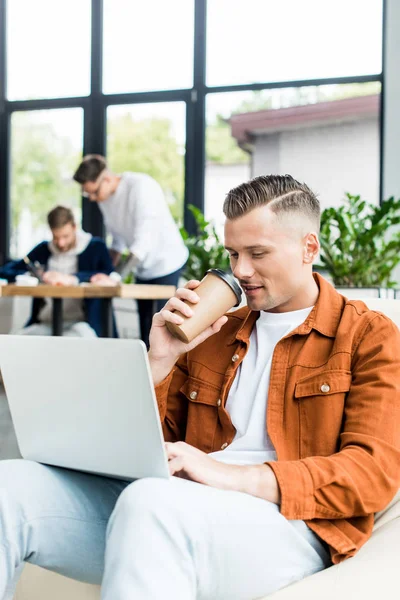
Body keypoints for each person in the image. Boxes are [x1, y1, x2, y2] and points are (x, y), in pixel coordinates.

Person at [0, 175, 399, 600]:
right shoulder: (214, 332)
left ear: (309, 248)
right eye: (233, 254)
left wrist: (231, 475)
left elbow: (371, 473)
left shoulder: (366, 335)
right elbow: (153, 448)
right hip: (173, 506)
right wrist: (160, 359)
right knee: (10, 484)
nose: (240, 271)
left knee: (149, 503)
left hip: (289, 522)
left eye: (257, 253)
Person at [72, 154, 188, 347]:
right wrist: (107, 273)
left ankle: (160, 377)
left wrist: (116, 278)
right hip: (142, 268)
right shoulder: (105, 198)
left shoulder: (141, 187)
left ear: (107, 178)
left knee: (160, 333)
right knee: (145, 331)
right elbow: (117, 241)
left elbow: (144, 240)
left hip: (166, 263)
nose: (92, 198)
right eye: (88, 194)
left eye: (94, 192)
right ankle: (146, 375)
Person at [0, 205, 116, 337]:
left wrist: (74, 278)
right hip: (46, 321)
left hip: (80, 323)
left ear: (74, 227)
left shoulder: (95, 247)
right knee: (17, 340)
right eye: (56, 237)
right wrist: (34, 275)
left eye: (65, 236)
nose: (61, 243)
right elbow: (8, 270)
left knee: (80, 340)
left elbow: (110, 275)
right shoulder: (44, 249)